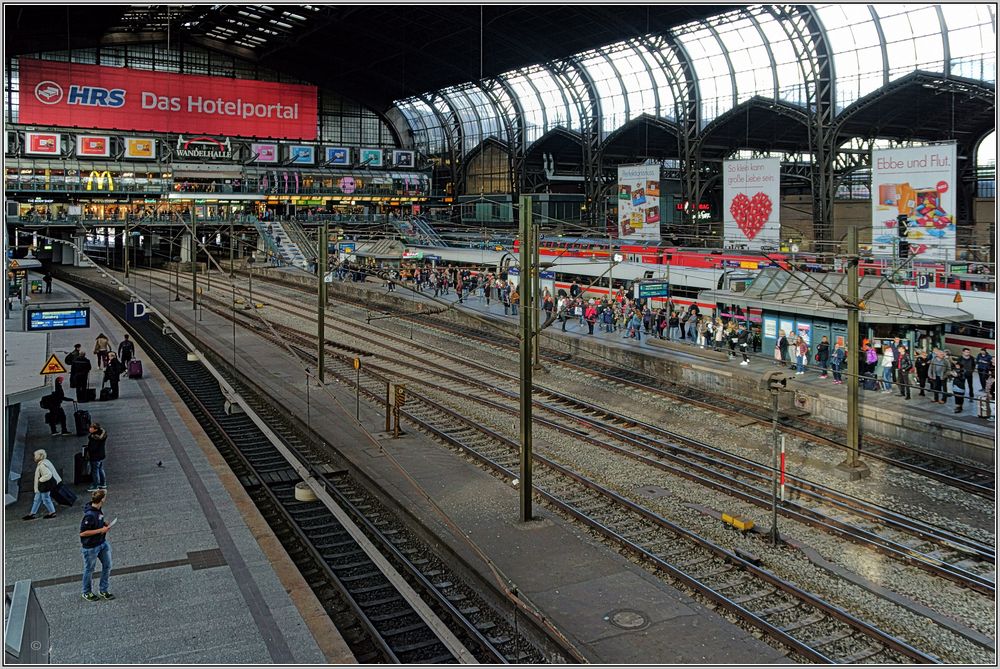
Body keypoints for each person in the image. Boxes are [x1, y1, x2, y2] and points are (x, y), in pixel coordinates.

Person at [79, 489, 114, 601]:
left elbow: (98, 521)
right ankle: (86, 592)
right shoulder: (89, 515)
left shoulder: (98, 510)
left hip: (102, 543)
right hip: (91, 547)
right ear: (102, 499)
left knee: (107, 565)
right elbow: (83, 533)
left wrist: (104, 524)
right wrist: (101, 530)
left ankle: (103, 590)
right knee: (89, 569)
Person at [23, 449, 60, 520]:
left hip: (44, 486)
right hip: (42, 486)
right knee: (37, 499)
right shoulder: (45, 462)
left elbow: (48, 474)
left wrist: (40, 480)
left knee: (45, 499)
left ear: (39, 456)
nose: (34, 457)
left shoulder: (42, 465)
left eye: (35, 456)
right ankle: (32, 513)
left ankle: (52, 512)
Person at [85, 423, 108, 492]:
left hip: (95, 456)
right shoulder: (102, 435)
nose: (89, 429)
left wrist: (88, 450)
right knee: (100, 469)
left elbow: (92, 448)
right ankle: (103, 483)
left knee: (95, 471)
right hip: (100, 455)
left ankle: (95, 485)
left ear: (95, 429)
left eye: (91, 428)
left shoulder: (94, 438)